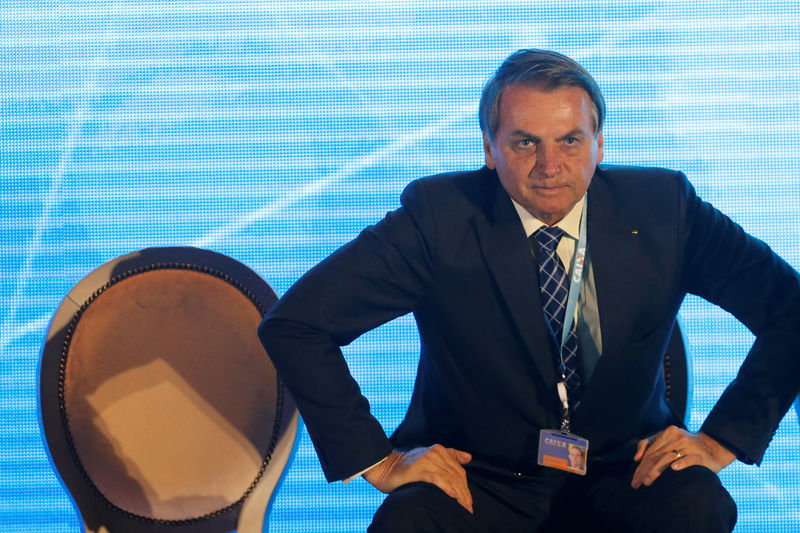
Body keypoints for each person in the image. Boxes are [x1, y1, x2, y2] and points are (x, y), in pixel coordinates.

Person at [258, 49, 800, 532]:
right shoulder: (439, 218)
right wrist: (380, 462)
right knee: (411, 521)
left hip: (624, 469)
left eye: (570, 140)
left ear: (599, 143)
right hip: (481, 477)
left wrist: (722, 439)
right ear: (491, 150)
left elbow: (791, 310)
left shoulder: (666, 209)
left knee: (699, 504)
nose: (550, 166)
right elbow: (297, 325)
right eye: (524, 143)